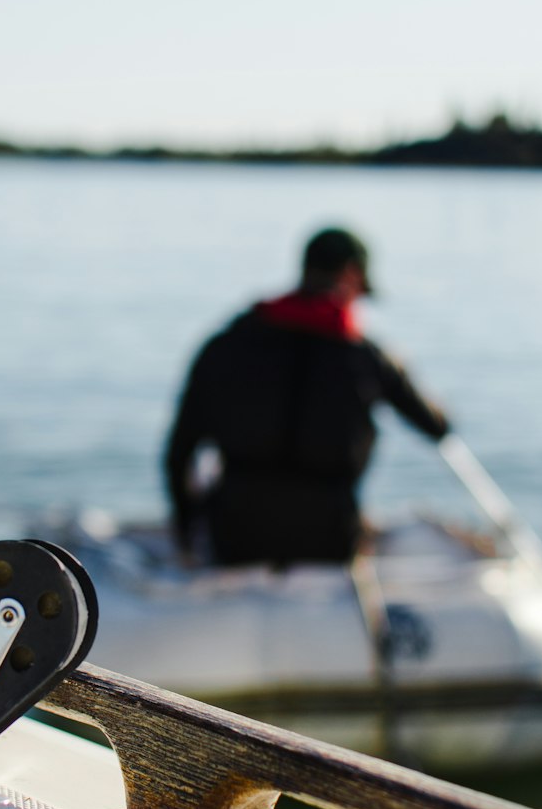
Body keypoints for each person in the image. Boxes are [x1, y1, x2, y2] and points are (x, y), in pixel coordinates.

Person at [164, 227, 451, 567]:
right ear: (351, 275)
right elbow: (436, 426)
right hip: (328, 541)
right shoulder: (367, 357)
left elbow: (177, 454)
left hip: (235, 536)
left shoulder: (226, 344)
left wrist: (186, 529)